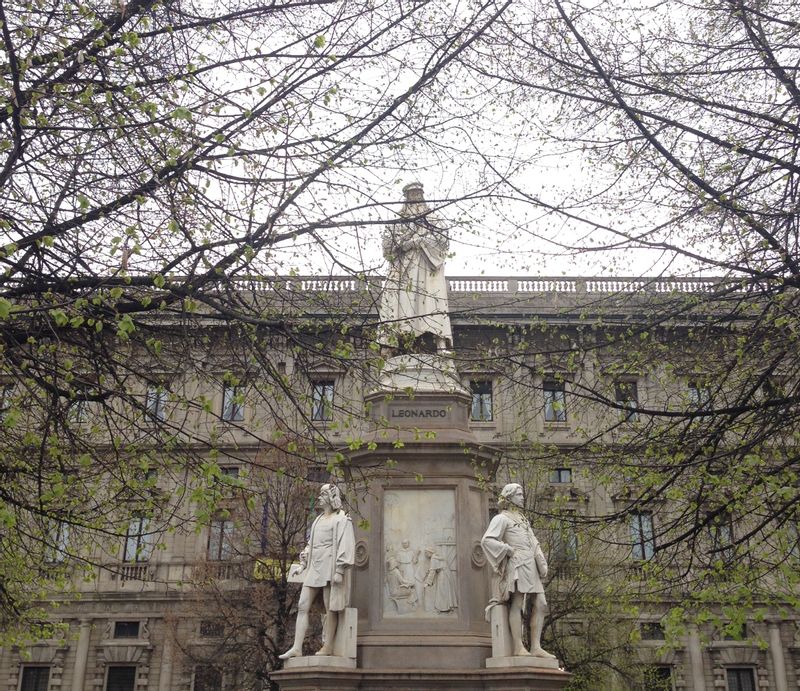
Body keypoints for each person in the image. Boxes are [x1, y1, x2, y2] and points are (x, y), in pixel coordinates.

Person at [279, 484, 355, 658]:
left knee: (330, 608)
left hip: (330, 566)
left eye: (323, 494)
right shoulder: (318, 520)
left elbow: (345, 544)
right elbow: (311, 544)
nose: (319, 497)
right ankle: (297, 647)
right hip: (315, 566)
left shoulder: (342, 519)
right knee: (302, 605)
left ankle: (328, 646)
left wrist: (340, 571)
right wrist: (303, 564)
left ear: (331, 497)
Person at [481, 483, 555, 658]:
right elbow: (487, 540)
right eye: (519, 494)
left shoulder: (523, 519)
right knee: (517, 603)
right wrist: (506, 549)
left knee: (541, 604)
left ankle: (536, 647)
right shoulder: (501, 518)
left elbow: (533, 541)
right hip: (518, 563)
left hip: (531, 564)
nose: (522, 497)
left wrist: (540, 560)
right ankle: (518, 646)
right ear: (509, 496)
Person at [379, 182, 452, 352]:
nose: (416, 198)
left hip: (428, 270)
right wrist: (408, 240)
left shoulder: (434, 218)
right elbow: (387, 247)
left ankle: (440, 342)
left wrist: (421, 241)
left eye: (418, 193)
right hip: (403, 271)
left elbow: (442, 241)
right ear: (406, 197)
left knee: (433, 303)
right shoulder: (396, 221)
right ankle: (392, 344)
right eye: (412, 194)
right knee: (400, 307)